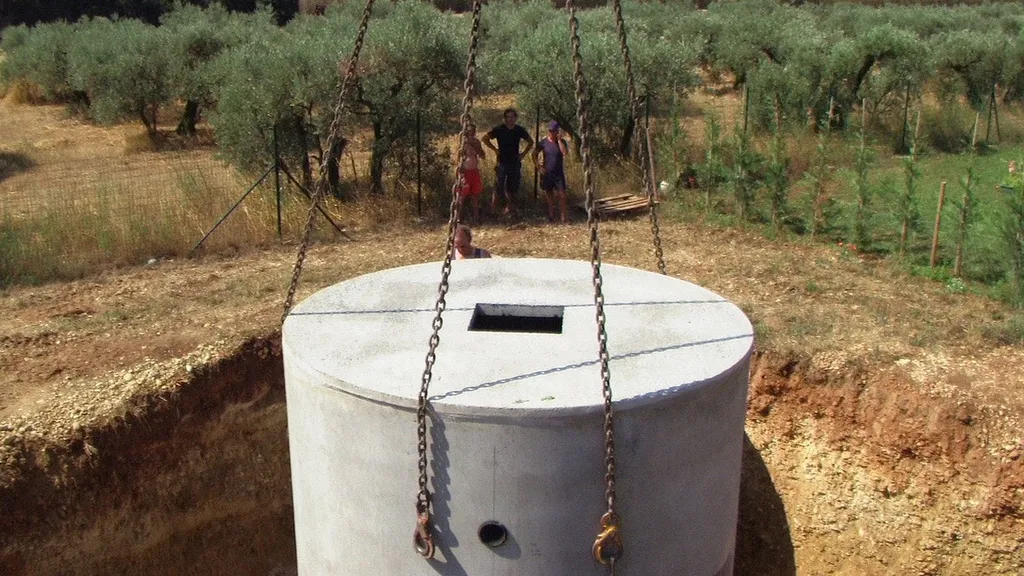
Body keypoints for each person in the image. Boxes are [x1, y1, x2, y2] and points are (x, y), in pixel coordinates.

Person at [483, 108, 533, 217]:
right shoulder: (499, 129)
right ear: (505, 118)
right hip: (502, 162)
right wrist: (495, 149)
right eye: (508, 117)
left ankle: (509, 209)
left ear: (515, 118)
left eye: (512, 117)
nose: (510, 119)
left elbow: (531, 142)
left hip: (514, 162)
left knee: (512, 187)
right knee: (498, 185)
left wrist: (523, 154)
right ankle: (493, 209)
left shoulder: (519, 130)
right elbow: (485, 138)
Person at [533, 120, 569, 223]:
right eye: (550, 131)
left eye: (554, 131)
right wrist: (538, 166)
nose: (552, 133)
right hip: (547, 173)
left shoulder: (562, 142)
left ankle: (563, 217)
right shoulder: (543, 142)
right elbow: (534, 154)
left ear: (558, 131)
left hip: (558, 173)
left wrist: (559, 140)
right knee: (549, 196)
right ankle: (551, 216)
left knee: (562, 195)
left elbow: (564, 153)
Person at [457, 123, 486, 223]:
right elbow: (458, 159)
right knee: (462, 196)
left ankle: (476, 218)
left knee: (475, 196)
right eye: (470, 131)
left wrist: (477, 148)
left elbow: (482, 156)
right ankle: (459, 218)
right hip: (465, 172)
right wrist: (460, 174)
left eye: (473, 131)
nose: (472, 133)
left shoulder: (476, 142)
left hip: (474, 171)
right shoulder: (463, 144)